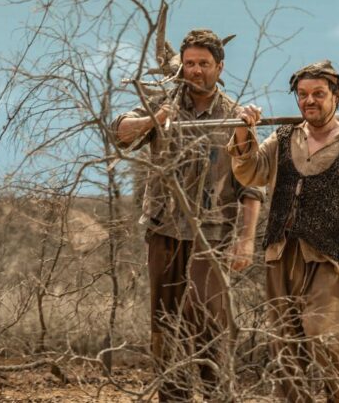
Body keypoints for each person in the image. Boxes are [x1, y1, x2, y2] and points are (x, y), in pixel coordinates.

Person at [113, 29, 264, 402]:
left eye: (204, 64)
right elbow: (120, 133)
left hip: (212, 236)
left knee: (209, 322)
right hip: (164, 231)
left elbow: (252, 183)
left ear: (219, 67)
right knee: (165, 324)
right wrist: (156, 118)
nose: (196, 71)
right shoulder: (164, 103)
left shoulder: (234, 115)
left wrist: (245, 241)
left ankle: (216, 395)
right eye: (190, 63)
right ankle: (173, 396)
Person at [228, 60, 339, 402]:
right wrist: (243, 132)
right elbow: (250, 173)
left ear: (336, 97)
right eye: (302, 95)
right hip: (280, 253)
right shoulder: (283, 138)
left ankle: (338, 397)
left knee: (321, 335)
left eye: (318, 94)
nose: (309, 101)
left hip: (328, 256)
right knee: (285, 346)